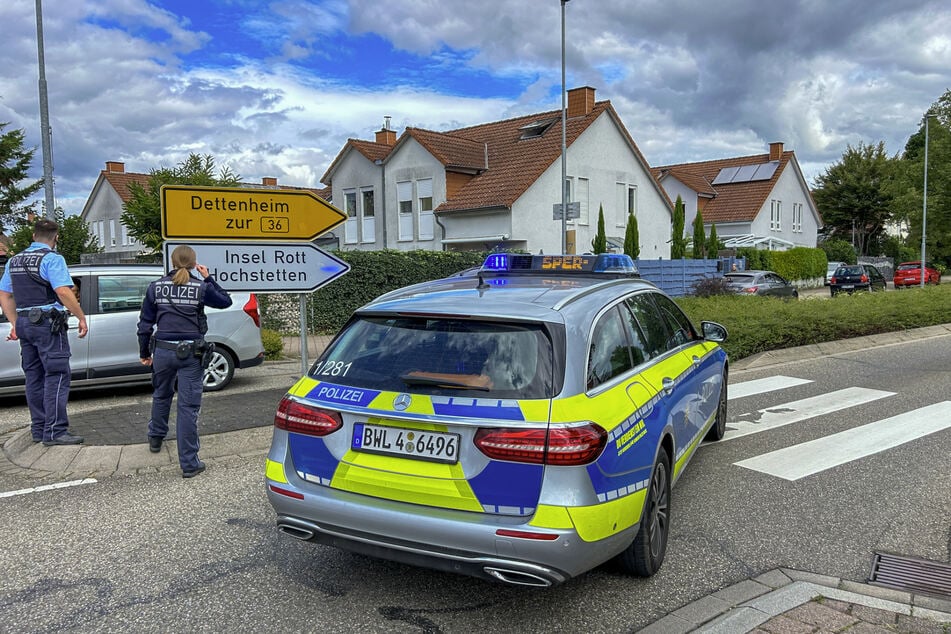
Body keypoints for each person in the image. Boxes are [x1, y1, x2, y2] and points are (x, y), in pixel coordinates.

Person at [136, 245, 232, 478]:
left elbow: (145, 324)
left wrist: (144, 353)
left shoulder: (155, 287)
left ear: (172, 260)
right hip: (192, 354)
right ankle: (189, 463)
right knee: (188, 408)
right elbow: (225, 301)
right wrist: (209, 278)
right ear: (193, 263)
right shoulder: (200, 287)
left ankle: (156, 438)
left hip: (163, 352)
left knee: (161, 394)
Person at [0, 219, 89, 445]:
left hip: (25, 323)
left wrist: (14, 324)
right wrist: (80, 316)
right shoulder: (52, 259)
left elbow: (4, 295)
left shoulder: (14, 260)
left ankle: (38, 429)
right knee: (57, 375)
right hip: (48, 324)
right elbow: (63, 291)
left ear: (33, 236)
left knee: (34, 376)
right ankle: (55, 431)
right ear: (55, 238)